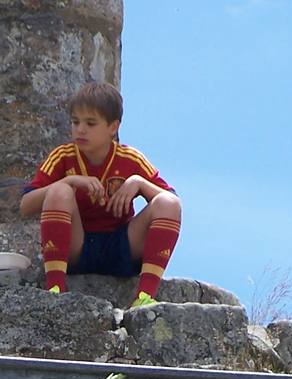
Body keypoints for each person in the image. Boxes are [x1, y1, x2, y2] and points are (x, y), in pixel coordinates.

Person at [19, 82, 182, 307]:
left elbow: (172, 200)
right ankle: (55, 290)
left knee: (167, 202)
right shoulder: (63, 156)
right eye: (75, 122)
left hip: (123, 246)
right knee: (58, 190)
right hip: (78, 246)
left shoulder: (131, 158)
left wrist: (139, 183)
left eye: (90, 123)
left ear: (113, 127)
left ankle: (145, 297)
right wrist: (69, 181)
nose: (80, 130)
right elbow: (26, 205)